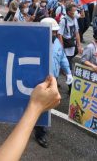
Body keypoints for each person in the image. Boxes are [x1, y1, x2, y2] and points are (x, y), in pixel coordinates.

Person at [0, 76, 61, 161]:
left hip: (40, 89)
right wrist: (36, 106)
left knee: (40, 122)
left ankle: (40, 135)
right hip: (29, 90)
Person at [34, 18, 72, 148]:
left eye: (55, 31)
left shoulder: (57, 43)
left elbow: (62, 58)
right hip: (40, 80)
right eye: (52, 31)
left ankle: (39, 129)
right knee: (41, 107)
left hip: (53, 79)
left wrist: (68, 72)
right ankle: (40, 133)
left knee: (45, 107)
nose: (55, 34)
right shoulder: (36, 43)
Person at [58, 4, 83, 88]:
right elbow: (60, 35)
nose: (76, 12)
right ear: (69, 12)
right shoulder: (63, 20)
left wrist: (79, 45)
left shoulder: (74, 19)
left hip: (73, 44)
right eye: (74, 11)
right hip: (66, 46)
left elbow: (77, 32)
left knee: (69, 63)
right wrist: (61, 48)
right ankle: (70, 87)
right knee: (68, 68)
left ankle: (63, 70)